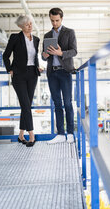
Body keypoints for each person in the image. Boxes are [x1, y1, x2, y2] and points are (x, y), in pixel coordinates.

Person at [3, 15, 42, 147]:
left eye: (30, 24)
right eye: (26, 25)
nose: (30, 26)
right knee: (25, 105)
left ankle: (20, 135)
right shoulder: (15, 37)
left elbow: (34, 56)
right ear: (20, 26)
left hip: (32, 74)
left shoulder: (36, 39)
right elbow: (6, 55)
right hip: (19, 75)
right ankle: (31, 136)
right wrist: (9, 69)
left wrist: (38, 66)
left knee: (27, 106)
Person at [42, 8, 77, 144]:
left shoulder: (69, 32)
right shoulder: (47, 35)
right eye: (52, 20)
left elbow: (74, 51)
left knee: (67, 103)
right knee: (57, 103)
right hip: (52, 73)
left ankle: (70, 133)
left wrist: (61, 53)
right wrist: (44, 56)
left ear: (61, 19)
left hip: (65, 71)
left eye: (57, 20)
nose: (55, 23)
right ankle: (61, 134)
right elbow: (43, 56)